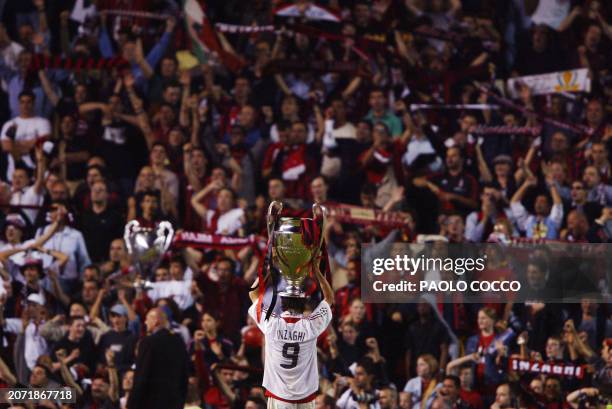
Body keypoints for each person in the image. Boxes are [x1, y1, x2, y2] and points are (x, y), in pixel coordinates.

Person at [248, 255, 334, 407]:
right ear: (304, 303)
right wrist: (317, 272)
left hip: (279, 396)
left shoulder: (271, 322)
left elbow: (253, 294)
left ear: (282, 303)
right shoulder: (311, 325)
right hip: (306, 397)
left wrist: (268, 269)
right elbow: (329, 298)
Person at [127, 307, 189, 409]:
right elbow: (184, 376)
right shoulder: (179, 342)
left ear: (155, 321)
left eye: (147, 319)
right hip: (174, 403)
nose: (145, 322)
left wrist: (132, 404)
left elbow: (141, 375)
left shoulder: (148, 342)